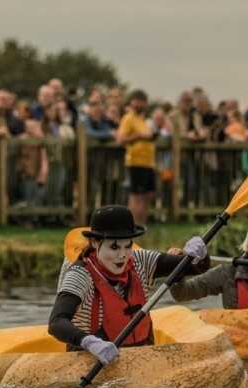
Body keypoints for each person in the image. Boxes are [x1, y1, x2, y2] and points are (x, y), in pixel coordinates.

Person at [48, 205, 209, 364]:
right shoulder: (80, 275)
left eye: (128, 246)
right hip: (96, 363)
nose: (122, 255)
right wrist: (88, 341)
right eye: (114, 247)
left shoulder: (140, 261)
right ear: (94, 242)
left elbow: (194, 268)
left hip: (142, 363)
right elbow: (56, 322)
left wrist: (199, 257)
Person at [116, 89, 156, 225]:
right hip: (135, 162)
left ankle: (141, 225)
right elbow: (120, 139)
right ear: (131, 102)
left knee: (148, 195)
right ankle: (131, 226)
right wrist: (139, 136)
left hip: (148, 162)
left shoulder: (142, 119)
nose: (140, 104)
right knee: (136, 196)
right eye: (137, 100)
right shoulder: (128, 118)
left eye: (142, 101)